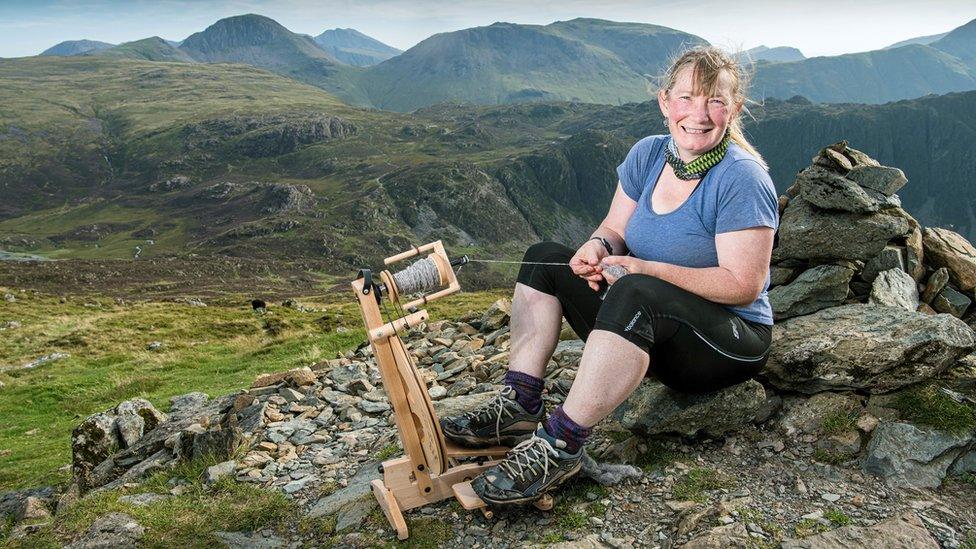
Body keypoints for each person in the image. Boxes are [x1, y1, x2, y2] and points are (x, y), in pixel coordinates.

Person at [440, 46, 779, 506]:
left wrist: (645, 269)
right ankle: (520, 403)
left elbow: (744, 284)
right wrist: (596, 249)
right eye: (686, 98)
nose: (698, 114)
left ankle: (561, 444)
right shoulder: (647, 155)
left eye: (714, 101)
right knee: (545, 257)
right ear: (664, 102)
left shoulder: (742, 178)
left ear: (734, 110)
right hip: (654, 327)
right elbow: (615, 229)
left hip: (728, 342)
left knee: (638, 288)